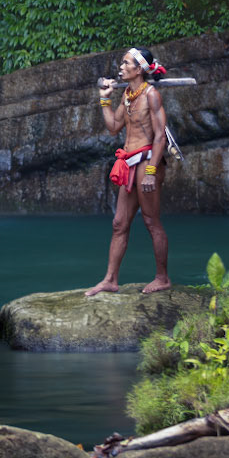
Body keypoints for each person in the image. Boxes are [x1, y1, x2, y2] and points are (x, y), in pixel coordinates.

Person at [84, 47, 170, 296]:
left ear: (139, 69)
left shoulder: (151, 95)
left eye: (125, 63)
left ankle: (162, 278)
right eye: (121, 63)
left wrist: (152, 171)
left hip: (147, 162)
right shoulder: (128, 96)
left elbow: (160, 137)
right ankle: (110, 280)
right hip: (130, 162)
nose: (120, 67)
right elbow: (113, 127)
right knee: (119, 223)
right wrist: (104, 99)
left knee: (151, 221)